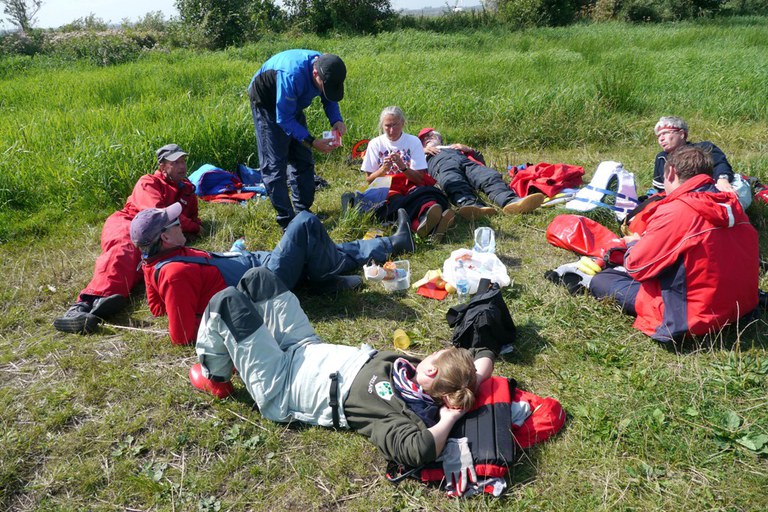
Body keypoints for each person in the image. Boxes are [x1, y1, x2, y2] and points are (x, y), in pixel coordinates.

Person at [191, 266, 495, 471]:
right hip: (304, 347)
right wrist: (473, 380)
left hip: (281, 383)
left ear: (431, 373)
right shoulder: (415, 374)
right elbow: (483, 354)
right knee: (259, 277)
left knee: (226, 302)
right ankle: (246, 347)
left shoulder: (398, 411)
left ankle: (215, 377)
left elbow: (421, 451)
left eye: (434, 355)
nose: (428, 353)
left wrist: (450, 417)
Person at [130, 203, 415, 345]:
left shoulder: (155, 262)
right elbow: (181, 335)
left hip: (256, 264)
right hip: (263, 282)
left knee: (316, 246)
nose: (181, 224)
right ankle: (324, 278)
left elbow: (156, 308)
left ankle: (385, 247)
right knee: (305, 222)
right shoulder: (174, 273)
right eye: (174, 223)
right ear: (164, 239)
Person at [556, 146, 759, 342]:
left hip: (694, 316)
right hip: (742, 305)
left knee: (604, 280)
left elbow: (637, 266)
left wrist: (636, 244)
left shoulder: (677, 210)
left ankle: (586, 281)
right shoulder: (733, 205)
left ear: (671, 172)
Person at [53, 143, 201, 335]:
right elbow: (157, 215)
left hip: (156, 231)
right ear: (163, 166)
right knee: (124, 250)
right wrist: (194, 227)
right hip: (129, 222)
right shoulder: (148, 182)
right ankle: (82, 306)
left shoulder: (187, 190)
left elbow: (192, 219)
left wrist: (193, 226)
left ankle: (102, 306)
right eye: (175, 163)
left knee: (144, 261)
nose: (182, 166)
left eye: (183, 161)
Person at [248, 50, 347, 229]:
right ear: (315, 74)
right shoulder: (292, 75)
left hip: (290, 105)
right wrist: (312, 141)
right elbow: (283, 119)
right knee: (275, 165)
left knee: (302, 158)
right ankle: (288, 221)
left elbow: (329, 97)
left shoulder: (327, 68)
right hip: (267, 103)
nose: (326, 90)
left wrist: (336, 120)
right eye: (324, 86)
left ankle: (303, 212)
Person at [358, 107, 453, 240]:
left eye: (395, 125)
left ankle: (426, 222)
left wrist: (403, 167)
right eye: (387, 126)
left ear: (402, 123)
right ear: (382, 126)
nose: (391, 130)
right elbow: (369, 180)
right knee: (397, 202)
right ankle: (428, 226)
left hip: (411, 184)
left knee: (426, 197)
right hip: (388, 187)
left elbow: (419, 179)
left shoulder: (413, 141)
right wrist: (383, 170)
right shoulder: (375, 144)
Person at [418, 128, 546, 219]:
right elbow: (412, 170)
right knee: (453, 181)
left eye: (431, 136)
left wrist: (470, 150)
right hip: (443, 166)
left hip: (466, 162)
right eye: (424, 139)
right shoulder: (419, 152)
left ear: (439, 138)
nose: (428, 139)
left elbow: (480, 161)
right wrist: (421, 151)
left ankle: (511, 201)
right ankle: (472, 206)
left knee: (488, 176)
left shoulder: (454, 147)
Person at [652, 116, 733, 193]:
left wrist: (722, 179)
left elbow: (720, 165)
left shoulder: (703, 148)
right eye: (658, 136)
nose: (661, 139)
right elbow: (660, 189)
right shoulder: (661, 158)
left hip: (706, 192)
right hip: (677, 200)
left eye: (665, 133)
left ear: (681, 134)